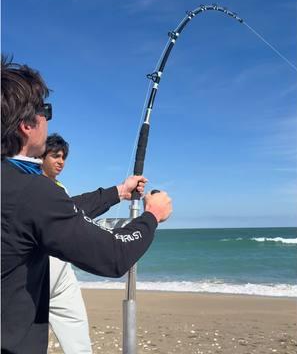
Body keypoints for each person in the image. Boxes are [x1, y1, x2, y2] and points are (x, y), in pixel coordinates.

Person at [1, 56, 172, 354]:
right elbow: (113, 256)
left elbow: (64, 211)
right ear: (27, 125)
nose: (47, 119)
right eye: (45, 112)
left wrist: (118, 191)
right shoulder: (32, 191)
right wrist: (152, 216)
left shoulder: (23, 189)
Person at [42, 133, 92, 354]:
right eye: (55, 156)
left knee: (79, 338)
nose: (61, 161)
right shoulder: (28, 185)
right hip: (36, 276)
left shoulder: (62, 187)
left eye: (63, 157)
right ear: (41, 157)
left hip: (63, 275)